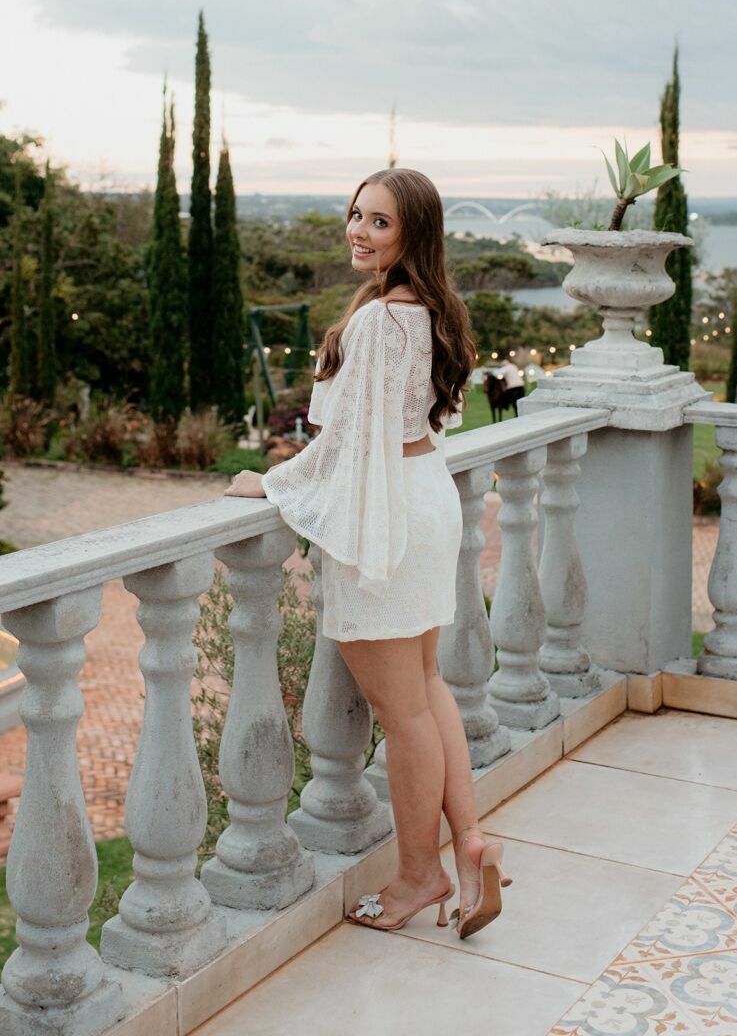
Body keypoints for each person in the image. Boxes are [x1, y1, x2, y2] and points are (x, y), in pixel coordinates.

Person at [225, 167, 511, 939]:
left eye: (379, 221)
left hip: (387, 515)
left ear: (413, 233)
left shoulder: (382, 321)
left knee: (404, 712)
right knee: (426, 685)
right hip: (423, 498)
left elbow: (346, 445)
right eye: (356, 214)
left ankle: (419, 876)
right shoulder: (431, 311)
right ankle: (471, 843)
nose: (359, 230)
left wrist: (272, 483)